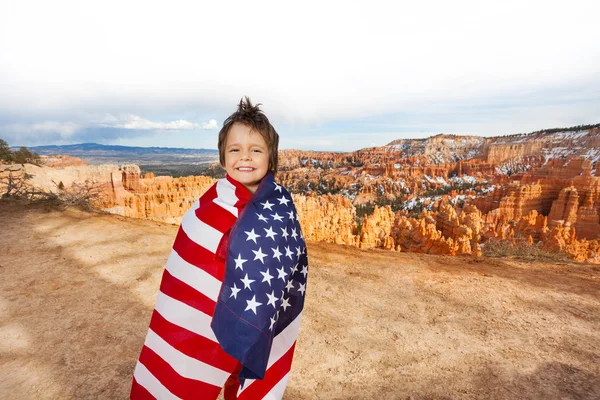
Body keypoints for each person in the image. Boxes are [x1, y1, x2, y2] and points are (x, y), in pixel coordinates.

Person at [131, 97, 309, 400]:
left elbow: (290, 261)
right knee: (194, 373)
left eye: (256, 150)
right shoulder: (209, 208)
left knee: (243, 374)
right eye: (235, 150)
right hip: (210, 319)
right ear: (223, 158)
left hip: (259, 315)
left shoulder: (279, 207)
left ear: (271, 158)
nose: (245, 157)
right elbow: (189, 274)